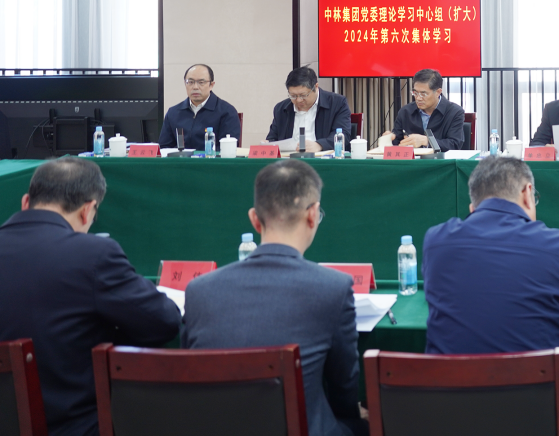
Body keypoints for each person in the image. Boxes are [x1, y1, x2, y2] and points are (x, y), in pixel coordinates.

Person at [422, 155, 559, 436]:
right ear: (528, 193)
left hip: (452, 422)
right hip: (538, 424)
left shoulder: (435, 241)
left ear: (473, 207)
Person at [183, 160, 365, 436]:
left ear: (254, 219)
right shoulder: (333, 287)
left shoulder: (198, 290)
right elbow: (344, 388)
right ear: (312, 215)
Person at [0, 157, 179, 436]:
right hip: (74, 426)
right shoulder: (92, 254)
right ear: (87, 211)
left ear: (26, 202)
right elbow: (164, 321)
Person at [265, 66, 353, 151]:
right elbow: (273, 139)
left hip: (322, 157)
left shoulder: (337, 103)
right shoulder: (281, 109)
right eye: (293, 96)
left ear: (316, 87)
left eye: (303, 95)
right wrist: (267, 144)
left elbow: (343, 135)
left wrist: (319, 145)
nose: (298, 100)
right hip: (289, 159)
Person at [157, 63, 242, 151]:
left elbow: (227, 149)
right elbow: (164, 147)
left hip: (210, 159)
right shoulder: (173, 112)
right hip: (181, 159)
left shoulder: (227, 112)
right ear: (185, 83)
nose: (195, 87)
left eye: (201, 82)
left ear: (211, 85)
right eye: (190, 82)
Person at [383, 68, 465, 150]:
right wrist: (389, 139)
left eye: (423, 94)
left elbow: (455, 144)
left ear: (438, 92)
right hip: (413, 158)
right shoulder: (405, 111)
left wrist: (427, 141)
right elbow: (397, 142)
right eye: (415, 93)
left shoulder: (455, 112)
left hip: (441, 158)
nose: (418, 98)